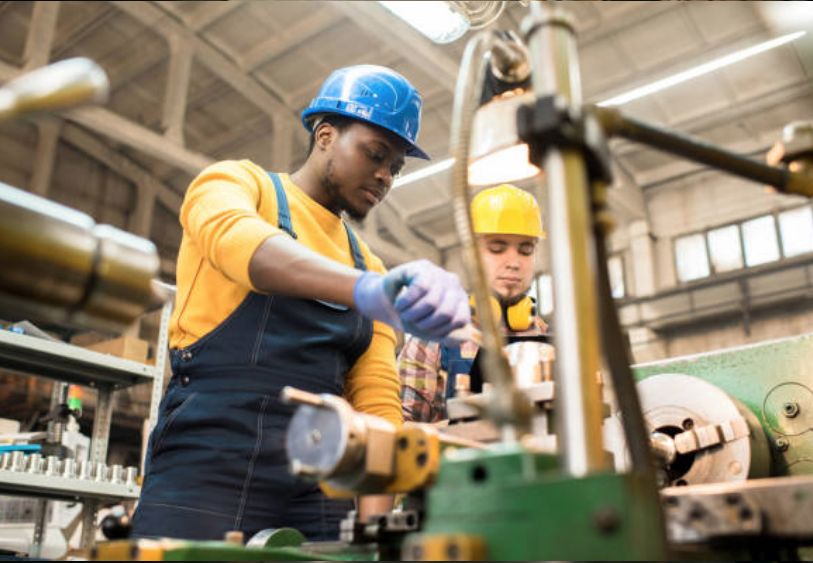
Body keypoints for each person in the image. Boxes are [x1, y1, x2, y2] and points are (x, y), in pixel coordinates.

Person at [131, 65, 470, 541]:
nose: (385, 176)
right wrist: (365, 291)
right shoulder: (238, 185)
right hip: (208, 461)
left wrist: (375, 529)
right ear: (326, 135)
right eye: (375, 154)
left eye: (396, 166)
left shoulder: (368, 262)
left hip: (321, 480)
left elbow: (376, 402)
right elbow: (239, 242)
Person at [399, 184, 548, 423]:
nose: (514, 262)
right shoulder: (432, 336)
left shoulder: (541, 336)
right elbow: (404, 434)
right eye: (497, 249)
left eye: (525, 250)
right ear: (470, 255)